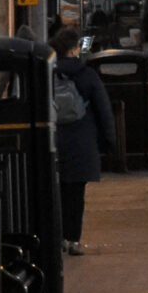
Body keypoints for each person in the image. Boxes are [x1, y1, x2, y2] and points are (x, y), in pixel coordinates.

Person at [49, 27, 119, 256]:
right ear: (74, 49)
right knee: (76, 194)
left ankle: (56, 238)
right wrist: (108, 141)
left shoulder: (46, 74)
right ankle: (73, 239)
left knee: (55, 192)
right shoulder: (87, 75)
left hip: (54, 141)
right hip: (81, 141)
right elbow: (103, 109)